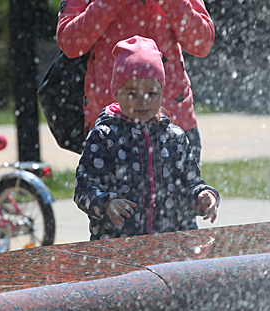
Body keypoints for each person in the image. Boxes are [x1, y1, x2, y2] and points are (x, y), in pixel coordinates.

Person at [74, 36, 219, 240]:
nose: (143, 101)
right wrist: (106, 203)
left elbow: (188, 187)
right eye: (132, 93)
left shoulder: (174, 138)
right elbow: (84, 189)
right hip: (118, 248)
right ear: (116, 93)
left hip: (167, 246)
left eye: (152, 93)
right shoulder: (105, 136)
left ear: (162, 92)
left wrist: (203, 197)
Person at [57, 0, 215, 160]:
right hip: (111, 124)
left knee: (187, 184)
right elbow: (70, 44)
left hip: (173, 122)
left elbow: (202, 44)